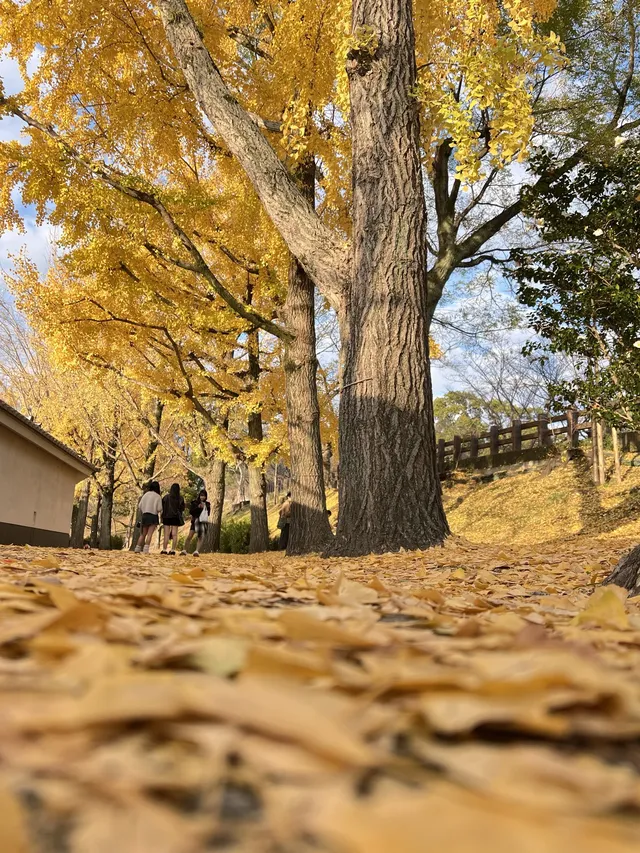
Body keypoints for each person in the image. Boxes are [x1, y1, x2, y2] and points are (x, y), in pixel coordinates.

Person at [181, 488, 211, 557]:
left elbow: (208, 513)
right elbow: (191, 511)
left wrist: (205, 507)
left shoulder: (208, 504)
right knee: (190, 536)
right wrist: (198, 507)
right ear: (199, 496)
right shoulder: (195, 502)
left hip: (202, 522)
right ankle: (184, 550)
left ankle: (197, 551)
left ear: (206, 497)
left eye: (204, 496)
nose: (202, 497)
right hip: (195, 521)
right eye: (201, 495)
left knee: (200, 536)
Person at [135, 481, 162, 554]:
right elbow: (159, 508)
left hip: (145, 515)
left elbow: (140, 506)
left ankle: (137, 548)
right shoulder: (158, 496)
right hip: (153, 516)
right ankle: (146, 549)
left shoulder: (145, 495)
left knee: (143, 534)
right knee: (149, 534)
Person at [161, 483, 185, 555]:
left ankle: (164, 549)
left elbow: (162, 506)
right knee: (174, 534)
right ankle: (173, 550)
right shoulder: (180, 498)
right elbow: (182, 508)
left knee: (166, 534)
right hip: (176, 517)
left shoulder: (166, 497)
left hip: (166, 516)